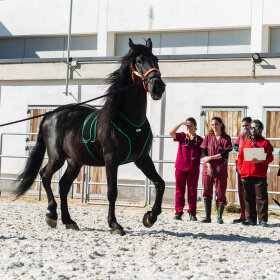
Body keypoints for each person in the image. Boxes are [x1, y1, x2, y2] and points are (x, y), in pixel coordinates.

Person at [238, 119, 273, 227]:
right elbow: (240, 156)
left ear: (261, 129)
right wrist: (241, 169)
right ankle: (251, 219)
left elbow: (270, 157)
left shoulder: (265, 142)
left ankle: (263, 220)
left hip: (259, 175)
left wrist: (261, 160)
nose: (253, 130)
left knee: (261, 198)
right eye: (252, 127)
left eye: (256, 128)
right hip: (246, 174)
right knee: (248, 198)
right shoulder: (246, 142)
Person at [169, 117, 203, 221]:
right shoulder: (183, 136)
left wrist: (195, 159)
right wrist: (180, 123)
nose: (188, 127)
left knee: (193, 191)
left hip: (193, 168)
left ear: (195, 126)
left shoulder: (200, 140)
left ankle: (192, 212)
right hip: (181, 167)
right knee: (180, 190)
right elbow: (171, 132)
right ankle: (179, 212)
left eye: (190, 125)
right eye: (186, 125)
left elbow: (202, 154)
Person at [201, 117, 232, 224]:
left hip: (220, 169)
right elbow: (204, 153)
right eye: (213, 124)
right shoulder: (208, 137)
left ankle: (219, 217)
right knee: (206, 191)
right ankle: (207, 217)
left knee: (220, 193)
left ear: (221, 125)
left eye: (216, 124)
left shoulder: (226, 138)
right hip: (207, 169)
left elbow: (224, 153)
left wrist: (211, 158)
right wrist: (208, 164)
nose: (214, 126)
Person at [232, 117, 252, 223]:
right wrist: (237, 149)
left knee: (249, 192)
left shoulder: (253, 136)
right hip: (241, 167)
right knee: (241, 192)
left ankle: (250, 216)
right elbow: (235, 145)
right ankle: (243, 215)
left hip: (250, 168)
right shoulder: (241, 136)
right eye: (244, 125)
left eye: (247, 125)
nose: (245, 127)